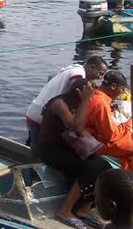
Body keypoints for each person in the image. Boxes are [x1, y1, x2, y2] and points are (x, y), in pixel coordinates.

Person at [38, 78, 112, 228]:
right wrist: (85, 101)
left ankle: (83, 209)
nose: (91, 98)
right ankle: (64, 211)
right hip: (50, 149)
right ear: (79, 93)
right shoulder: (59, 103)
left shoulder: (76, 104)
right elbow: (76, 126)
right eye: (88, 95)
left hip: (67, 148)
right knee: (91, 167)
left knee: (103, 165)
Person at [85, 70, 133, 207]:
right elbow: (109, 135)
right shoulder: (100, 102)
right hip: (96, 143)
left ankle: (130, 185)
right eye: (121, 88)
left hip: (92, 139)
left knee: (130, 141)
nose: (122, 92)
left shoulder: (98, 97)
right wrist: (131, 121)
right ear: (113, 86)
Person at [25, 56, 108, 161]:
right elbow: (77, 89)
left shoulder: (74, 70)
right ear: (91, 67)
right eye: (100, 73)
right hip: (39, 116)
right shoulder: (77, 73)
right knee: (38, 149)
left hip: (36, 110)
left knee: (34, 145)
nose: (100, 78)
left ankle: (30, 165)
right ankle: (33, 173)